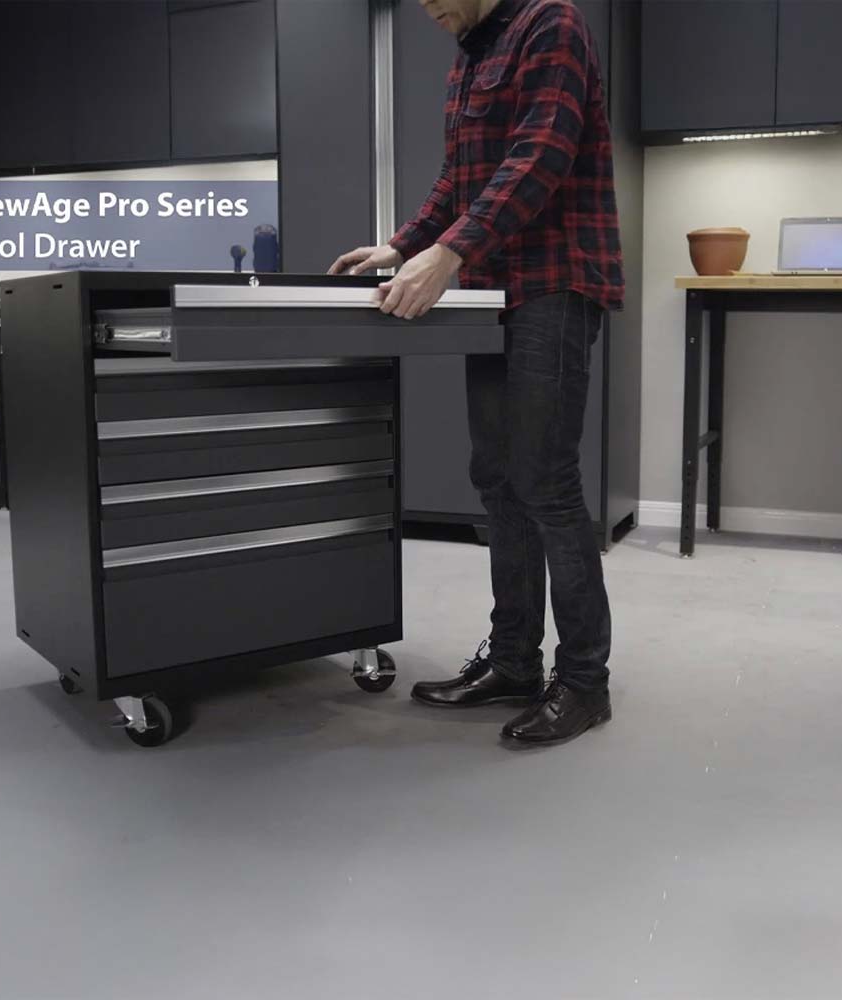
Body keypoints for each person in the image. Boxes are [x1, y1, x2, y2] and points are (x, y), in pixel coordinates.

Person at [329, 0, 624, 746]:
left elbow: (540, 156)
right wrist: (400, 246)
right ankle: (516, 662)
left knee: (546, 481)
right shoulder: (472, 54)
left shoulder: (550, 23)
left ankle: (585, 682)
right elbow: (461, 181)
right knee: (496, 478)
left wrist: (450, 253)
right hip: (495, 289)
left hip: (556, 283)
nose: (426, 7)